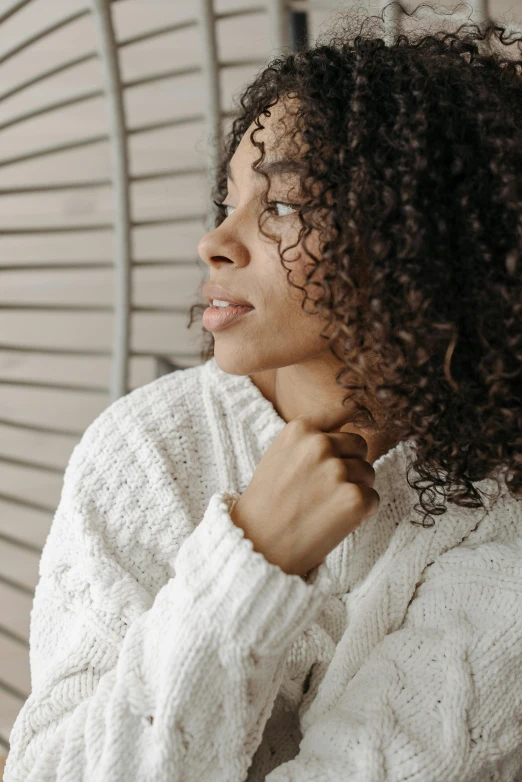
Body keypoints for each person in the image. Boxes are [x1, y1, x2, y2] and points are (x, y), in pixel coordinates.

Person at [5, 4, 522, 781]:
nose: (215, 241)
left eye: (278, 206)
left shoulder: (500, 510)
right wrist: (254, 558)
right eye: (228, 203)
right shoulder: (147, 448)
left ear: (417, 236)